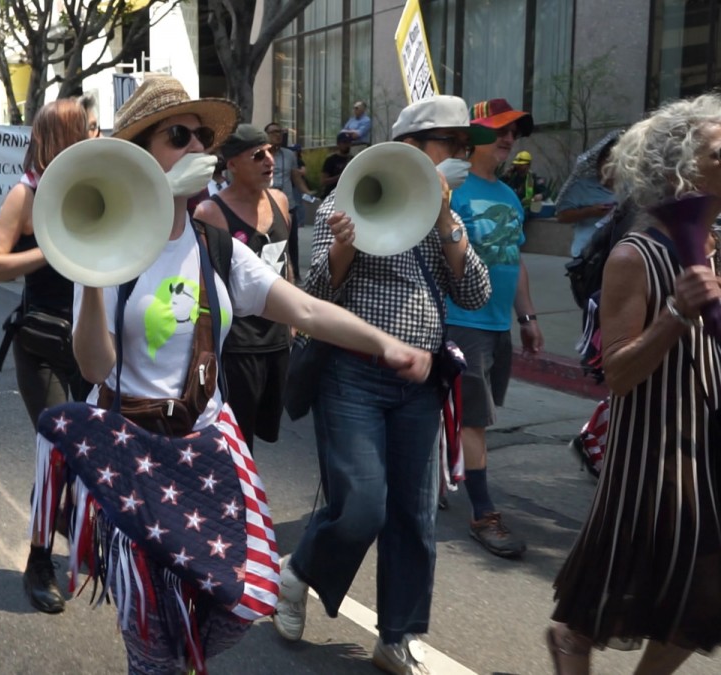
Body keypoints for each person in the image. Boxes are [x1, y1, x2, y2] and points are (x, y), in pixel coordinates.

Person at [29, 75, 433, 675]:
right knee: (153, 637)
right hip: (135, 455)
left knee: (241, 601)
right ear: (139, 154)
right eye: (178, 135)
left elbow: (305, 310)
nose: (198, 147)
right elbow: (94, 367)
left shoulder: (215, 246)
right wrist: (90, 277)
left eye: (201, 136)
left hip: (209, 447)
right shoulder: (105, 246)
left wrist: (384, 344)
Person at [274, 94, 493, 675]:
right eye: (452, 144)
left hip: (420, 385)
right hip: (353, 376)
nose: (462, 154)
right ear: (413, 147)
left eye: (466, 145)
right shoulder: (343, 198)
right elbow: (314, 298)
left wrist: (446, 221)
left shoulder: (444, 214)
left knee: (415, 517)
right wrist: (344, 248)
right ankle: (299, 571)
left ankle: (397, 635)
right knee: (362, 507)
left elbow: (475, 293)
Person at [547, 92, 721, 675]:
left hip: (706, 439)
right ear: (681, 169)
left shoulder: (718, 248)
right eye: (720, 153)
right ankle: (569, 639)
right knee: (611, 595)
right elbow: (617, 372)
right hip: (652, 451)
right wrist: (676, 313)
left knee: (705, 597)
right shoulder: (634, 255)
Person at [0, 98, 91, 614]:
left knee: (94, 456)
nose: (95, 136)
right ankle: (39, 562)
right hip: (44, 346)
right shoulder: (27, 193)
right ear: (60, 137)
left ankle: (76, 528)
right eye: (87, 128)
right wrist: (52, 250)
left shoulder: (102, 185)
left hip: (97, 345)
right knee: (57, 457)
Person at [446, 98, 543, 559]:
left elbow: (514, 259)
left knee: (465, 414)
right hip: (460, 320)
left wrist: (527, 318)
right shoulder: (453, 190)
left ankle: (430, 477)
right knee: (475, 419)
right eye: (500, 130)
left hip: (497, 324)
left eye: (514, 132)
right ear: (474, 136)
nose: (509, 138)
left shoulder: (507, 195)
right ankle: (483, 513)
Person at [194, 124, 293, 451]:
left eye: (271, 152)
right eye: (258, 155)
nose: (270, 160)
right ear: (233, 164)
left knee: (265, 432)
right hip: (238, 347)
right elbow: (206, 285)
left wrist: (292, 324)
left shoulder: (280, 201)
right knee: (236, 441)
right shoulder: (211, 212)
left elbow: (287, 263)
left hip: (278, 342)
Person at [556, 131, 621, 257]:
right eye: (606, 160)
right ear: (598, 163)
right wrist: (589, 212)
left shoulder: (630, 187)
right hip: (586, 254)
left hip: (617, 254)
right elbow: (562, 217)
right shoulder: (582, 187)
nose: (609, 166)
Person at [264, 122, 312, 281]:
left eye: (279, 132)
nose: (277, 135)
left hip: (288, 204)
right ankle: (273, 275)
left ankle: (295, 274)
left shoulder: (289, 155)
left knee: (292, 241)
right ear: (266, 135)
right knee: (272, 241)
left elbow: (295, 177)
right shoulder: (261, 154)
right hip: (268, 203)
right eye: (273, 132)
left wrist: (308, 193)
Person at [318, 131, 356, 199]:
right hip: (331, 195)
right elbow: (323, 181)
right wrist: (340, 176)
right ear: (338, 144)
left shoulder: (353, 159)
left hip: (346, 195)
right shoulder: (331, 159)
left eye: (349, 142)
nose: (347, 145)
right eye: (344, 142)